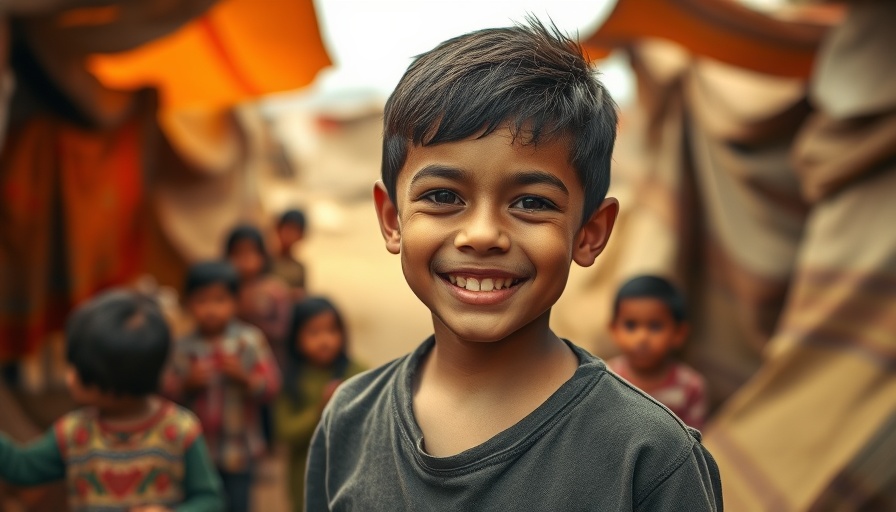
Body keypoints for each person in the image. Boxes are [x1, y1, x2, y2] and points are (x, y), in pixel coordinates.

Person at [305, 19, 723, 511]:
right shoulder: (349, 421)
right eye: (443, 196)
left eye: (531, 203)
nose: (482, 235)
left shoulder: (649, 459)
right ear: (392, 219)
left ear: (590, 233)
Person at [0, 289, 224, 512]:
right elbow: (23, 468)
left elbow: (210, 499)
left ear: (117, 385)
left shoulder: (179, 430)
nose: (69, 378)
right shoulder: (74, 433)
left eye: (82, 373)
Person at [164, 261, 280, 512]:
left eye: (219, 300)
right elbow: (166, 396)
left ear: (235, 302)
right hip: (195, 454)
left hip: (239, 452)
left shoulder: (249, 341)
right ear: (188, 304)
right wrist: (187, 384)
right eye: (202, 301)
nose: (211, 310)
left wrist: (246, 379)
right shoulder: (181, 347)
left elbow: (271, 387)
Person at [274, 297, 365, 512]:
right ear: (296, 338)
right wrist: (320, 411)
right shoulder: (291, 380)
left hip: (352, 473)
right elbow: (285, 432)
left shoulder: (358, 372)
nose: (325, 340)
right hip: (306, 476)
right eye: (313, 333)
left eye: (332, 331)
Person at [607, 275, 709, 430]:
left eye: (655, 326)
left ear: (678, 333)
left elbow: (694, 442)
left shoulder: (690, 386)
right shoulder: (607, 376)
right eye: (631, 325)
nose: (642, 338)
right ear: (614, 330)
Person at [225, 225, 292, 367]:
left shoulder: (275, 290)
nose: (246, 260)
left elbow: (282, 330)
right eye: (238, 253)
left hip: (268, 362)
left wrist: (251, 321)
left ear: (263, 256)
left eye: (252, 252)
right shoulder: (224, 290)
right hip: (230, 361)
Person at [272, 209, 308, 301]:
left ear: (301, 236)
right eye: (288, 228)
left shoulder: (299, 268)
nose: (290, 235)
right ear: (278, 229)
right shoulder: (266, 261)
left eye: (296, 230)